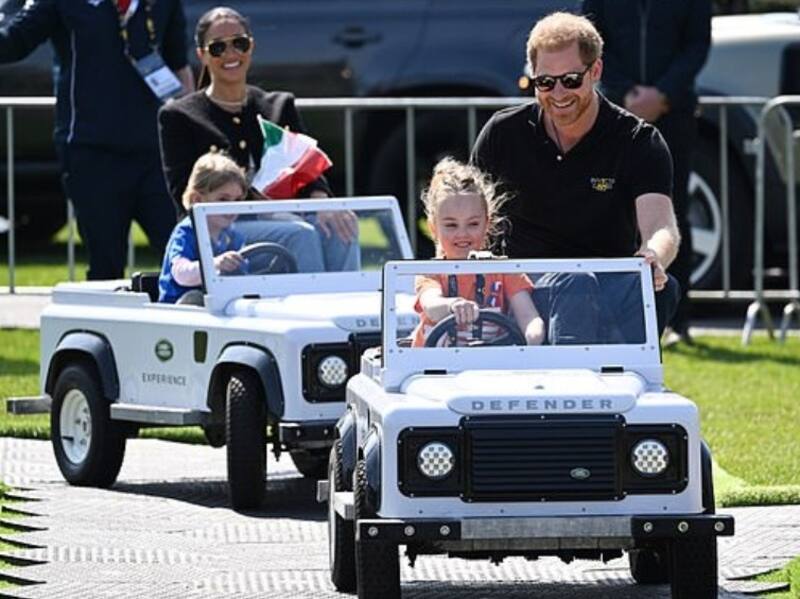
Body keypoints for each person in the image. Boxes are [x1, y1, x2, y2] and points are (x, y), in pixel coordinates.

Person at [471, 12, 680, 339]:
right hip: (520, 287)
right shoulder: (502, 132)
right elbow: (466, 212)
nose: (558, 94)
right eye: (545, 82)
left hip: (603, 283)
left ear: (595, 70)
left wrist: (653, 256)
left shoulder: (638, 141)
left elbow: (661, 227)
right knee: (574, 284)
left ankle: (629, 378)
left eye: (570, 80)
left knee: (660, 290)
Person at [0, 0, 194, 280]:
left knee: (182, 254)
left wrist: (188, 130)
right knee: (106, 263)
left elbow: (179, 66)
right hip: (91, 150)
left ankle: (180, 321)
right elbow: (14, 42)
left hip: (156, 152)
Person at [158, 6, 358, 273]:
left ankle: (348, 308)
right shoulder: (180, 115)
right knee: (300, 234)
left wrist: (323, 203)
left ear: (251, 46)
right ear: (202, 55)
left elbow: (308, 169)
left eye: (239, 43)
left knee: (341, 226)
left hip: (287, 214)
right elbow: (184, 190)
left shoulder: (278, 105)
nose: (231, 54)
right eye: (218, 48)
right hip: (222, 228)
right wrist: (249, 200)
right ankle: (313, 311)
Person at [582, 0, 711, 345]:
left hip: (674, 114)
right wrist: (626, 92)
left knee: (672, 214)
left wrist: (664, 94)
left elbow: (697, 44)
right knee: (608, 208)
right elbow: (591, 41)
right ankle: (607, 314)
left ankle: (677, 319)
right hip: (614, 110)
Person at [411, 159, 545, 348]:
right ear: (433, 228)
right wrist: (452, 306)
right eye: (451, 225)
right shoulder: (431, 272)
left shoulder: (505, 271)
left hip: (491, 367)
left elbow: (528, 317)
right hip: (433, 370)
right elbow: (431, 305)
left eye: (473, 224)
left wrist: (533, 335)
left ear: (487, 224)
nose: (462, 234)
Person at [158, 152, 247, 304]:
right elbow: (180, 273)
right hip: (179, 309)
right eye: (223, 200)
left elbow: (244, 274)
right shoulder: (187, 232)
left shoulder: (233, 236)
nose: (231, 207)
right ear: (197, 199)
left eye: (237, 200)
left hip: (220, 304)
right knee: (195, 298)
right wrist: (215, 264)